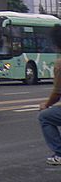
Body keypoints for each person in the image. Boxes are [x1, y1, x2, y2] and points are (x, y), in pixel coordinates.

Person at [39, 25, 61, 166]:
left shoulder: (59, 64)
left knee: (45, 117)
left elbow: (58, 92)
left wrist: (46, 105)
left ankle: (59, 154)